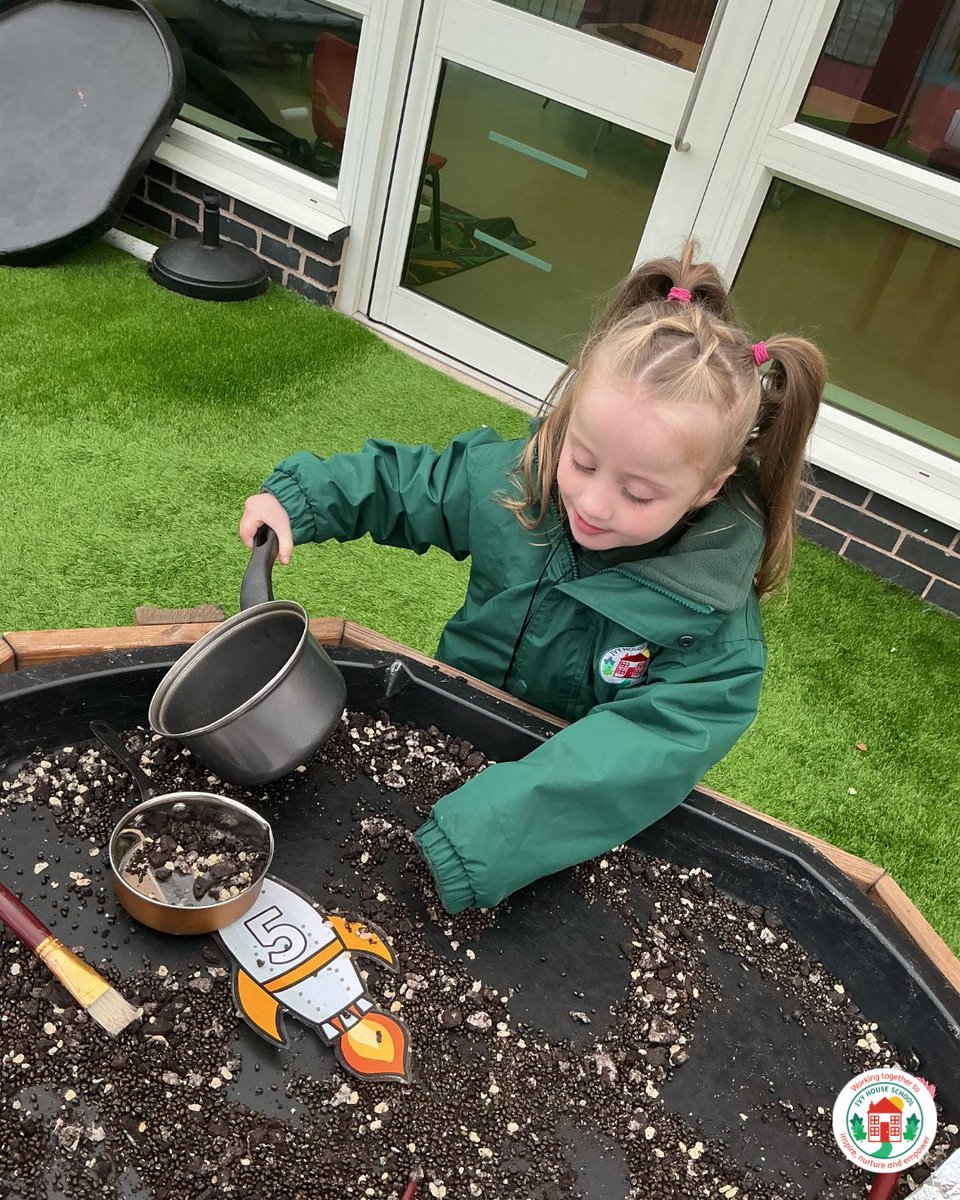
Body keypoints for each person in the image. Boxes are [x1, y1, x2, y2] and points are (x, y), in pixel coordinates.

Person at [239, 243, 827, 915]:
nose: (595, 505)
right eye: (582, 459)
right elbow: (407, 485)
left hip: (545, 830)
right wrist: (304, 498)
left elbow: (633, 760)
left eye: (639, 494)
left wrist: (482, 836)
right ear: (568, 424)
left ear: (708, 487)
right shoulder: (518, 482)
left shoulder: (713, 630)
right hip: (445, 732)